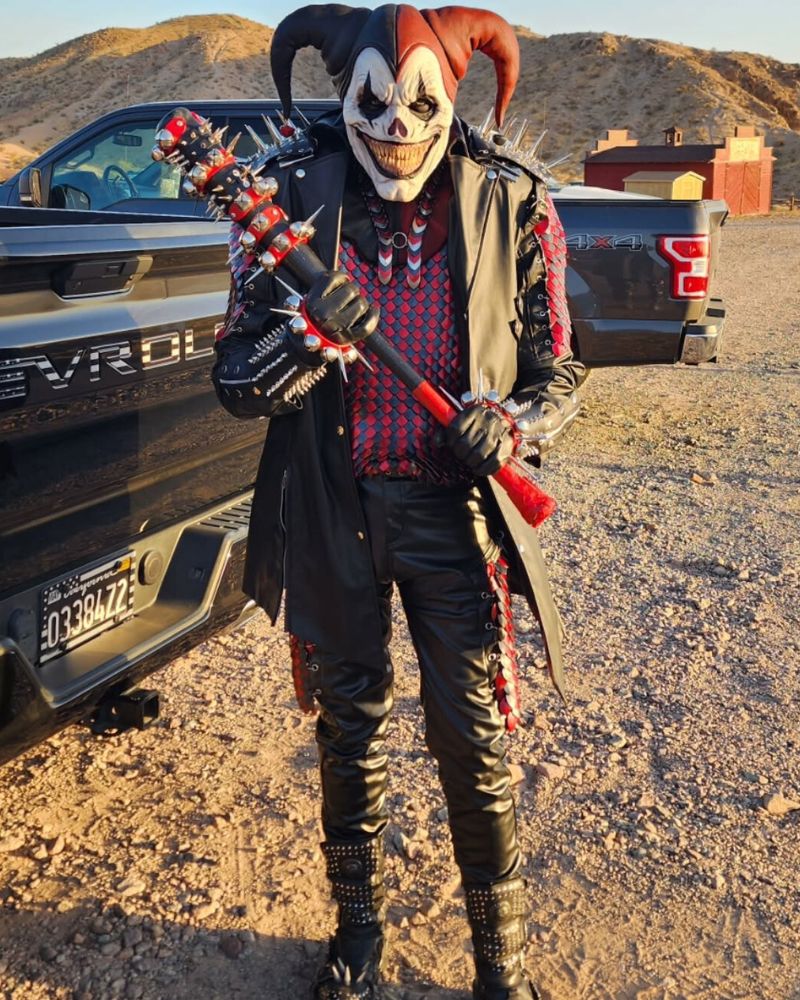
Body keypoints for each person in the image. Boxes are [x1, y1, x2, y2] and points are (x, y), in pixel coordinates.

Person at [212, 6, 584, 998]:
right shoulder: (283, 205)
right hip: (332, 509)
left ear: (453, 98)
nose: (394, 121)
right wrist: (298, 341)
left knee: (469, 734)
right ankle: (358, 934)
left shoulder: (510, 205)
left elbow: (562, 370)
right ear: (343, 95)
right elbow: (235, 378)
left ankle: (496, 963)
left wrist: (506, 423)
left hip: (450, 518)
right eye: (371, 99)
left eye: (420, 100)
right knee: (347, 727)